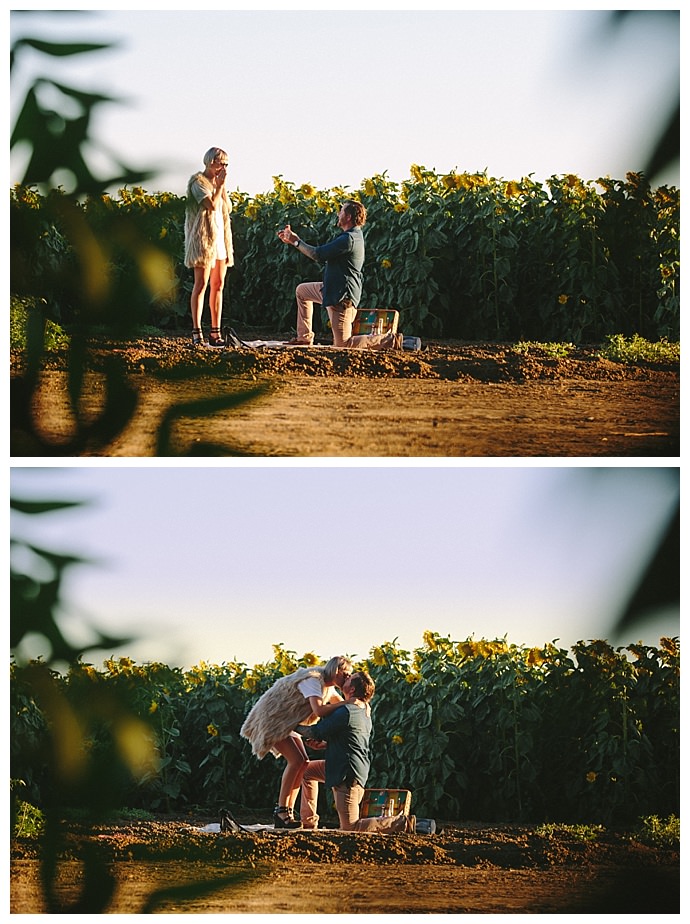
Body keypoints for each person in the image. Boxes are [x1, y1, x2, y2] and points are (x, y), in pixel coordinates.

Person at [239, 656, 353, 828]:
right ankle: (281, 811)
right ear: (337, 670)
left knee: (304, 763)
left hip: (289, 722)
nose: (347, 679)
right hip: (273, 720)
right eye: (346, 675)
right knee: (296, 761)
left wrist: (354, 700)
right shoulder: (313, 680)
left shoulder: (328, 687)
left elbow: (343, 705)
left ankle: (287, 813)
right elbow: (320, 710)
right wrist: (350, 701)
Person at [296, 671, 416, 834]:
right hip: (342, 765)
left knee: (350, 828)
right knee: (306, 772)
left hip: (347, 773)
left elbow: (316, 731)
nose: (345, 678)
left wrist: (291, 725)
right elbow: (352, 738)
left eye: (349, 679)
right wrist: (326, 745)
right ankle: (308, 823)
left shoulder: (347, 711)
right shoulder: (364, 708)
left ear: (352, 690)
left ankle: (403, 823)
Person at [277, 201, 401, 350]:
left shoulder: (349, 239)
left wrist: (295, 241)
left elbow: (318, 255)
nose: (338, 214)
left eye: (341, 212)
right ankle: (304, 338)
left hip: (342, 297)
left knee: (343, 345)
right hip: (330, 289)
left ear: (348, 217)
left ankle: (391, 340)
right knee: (302, 291)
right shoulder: (351, 235)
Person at [184, 147, 234, 347]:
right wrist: (219, 187)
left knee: (218, 285)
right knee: (201, 284)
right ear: (211, 162)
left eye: (226, 164)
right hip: (203, 240)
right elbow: (210, 205)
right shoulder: (198, 182)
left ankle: (215, 331)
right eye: (221, 163)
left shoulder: (218, 183)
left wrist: (222, 186)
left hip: (220, 239)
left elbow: (226, 207)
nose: (224, 168)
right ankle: (197, 332)